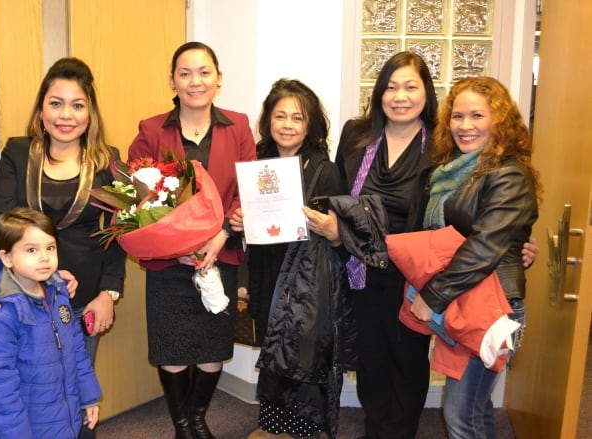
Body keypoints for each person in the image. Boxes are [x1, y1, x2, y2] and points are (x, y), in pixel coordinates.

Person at [327, 51, 539, 439]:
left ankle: (401, 431)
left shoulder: (441, 147)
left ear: (426, 93)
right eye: (391, 87)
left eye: (411, 86)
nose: (400, 96)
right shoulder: (358, 134)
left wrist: (515, 242)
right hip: (363, 268)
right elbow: (339, 194)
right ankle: (377, 429)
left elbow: (480, 214)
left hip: (421, 275)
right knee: (371, 360)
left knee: (411, 364)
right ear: (378, 92)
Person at [127, 41, 257, 439]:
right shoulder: (151, 130)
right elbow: (138, 196)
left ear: (219, 78)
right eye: (185, 73)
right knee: (172, 348)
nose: (195, 81)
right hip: (169, 263)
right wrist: (176, 245)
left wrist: (219, 237)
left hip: (221, 254)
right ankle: (183, 427)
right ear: (172, 80)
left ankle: (198, 419)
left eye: (204, 72)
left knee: (212, 346)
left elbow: (247, 193)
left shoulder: (238, 125)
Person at [0, 57, 126, 367]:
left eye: (78, 105)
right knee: (29, 388)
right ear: (42, 111)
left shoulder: (107, 160)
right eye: (56, 103)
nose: (66, 115)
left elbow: (118, 234)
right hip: (22, 292)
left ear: (90, 113)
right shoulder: (18, 152)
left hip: (84, 294)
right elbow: (0, 220)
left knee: (76, 389)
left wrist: (109, 293)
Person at [410, 76, 539, 439]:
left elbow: (483, 246)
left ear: (499, 121)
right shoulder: (456, 172)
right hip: (468, 300)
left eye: (476, 116)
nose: (464, 126)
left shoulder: (508, 173)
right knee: (475, 408)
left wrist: (431, 296)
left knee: (460, 415)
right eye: (457, 116)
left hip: (494, 306)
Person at [232, 78, 354, 439]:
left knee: (303, 350)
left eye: (297, 118)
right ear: (268, 120)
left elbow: (341, 233)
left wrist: (327, 225)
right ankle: (273, 426)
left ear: (310, 125)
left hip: (307, 279)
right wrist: (240, 220)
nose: (287, 124)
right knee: (273, 344)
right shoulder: (256, 162)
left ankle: (301, 429)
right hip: (267, 269)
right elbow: (247, 218)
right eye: (280, 116)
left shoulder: (324, 169)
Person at [0, 207, 102, 438]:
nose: (44, 257)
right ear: (7, 257)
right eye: (31, 249)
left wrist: (88, 396)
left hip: (65, 419)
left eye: (50, 248)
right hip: (28, 428)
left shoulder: (58, 294)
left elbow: (77, 351)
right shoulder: (0, 311)